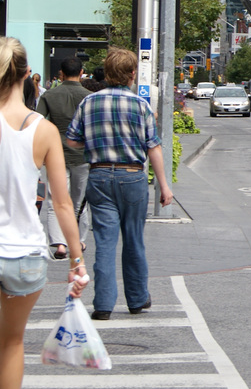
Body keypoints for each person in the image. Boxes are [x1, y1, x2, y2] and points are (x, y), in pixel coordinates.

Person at [0, 36, 88, 389]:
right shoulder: (44, 131)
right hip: (23, 256)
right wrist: (76, 259)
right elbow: (63, 203)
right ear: (27, 77)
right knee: (11, 343)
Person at [66, 47, 173, 321]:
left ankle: (103, 304)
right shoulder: (140, 105)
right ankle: (137, 299)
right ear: (132, 74)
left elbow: (72, 141)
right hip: (133, 176)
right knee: (134, 240)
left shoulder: (89, 103)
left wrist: (94, 142)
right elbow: (154, 148)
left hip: (99, 176)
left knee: (104, 241)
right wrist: (164, 186)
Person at [37, 57, 92, 260]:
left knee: (54, 199)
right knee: (78, 201)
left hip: (55, 153)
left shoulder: (50, 95)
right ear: (81, 72)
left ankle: (59, 243)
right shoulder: (89, 97)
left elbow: (39, 122)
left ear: (60, 73)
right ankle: (76, 239)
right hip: (83, 155)